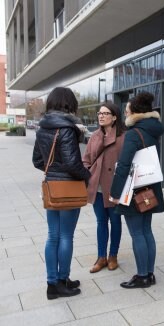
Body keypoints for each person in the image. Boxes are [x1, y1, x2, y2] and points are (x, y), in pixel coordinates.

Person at [32, 87, 91, 300]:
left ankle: (52, 284)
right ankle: (63, 281)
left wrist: (54, 172)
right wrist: (87, 175)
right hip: (69, 189)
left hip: (51, 187)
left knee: (53, 236)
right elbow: (72, 163)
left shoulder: (42, 128)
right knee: (66, 235)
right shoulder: (67, 128)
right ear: (69, 104)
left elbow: (38, 161)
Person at [109, 92, 164, 288]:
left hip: (134, 190)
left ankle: (142, 276)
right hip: (150, 189)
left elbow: (124, 165)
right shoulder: (152, 130)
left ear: (135, 112)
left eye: (126, 111)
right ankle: (149, 273)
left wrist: (115, 193)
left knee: (137, 233)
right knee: (147, 231)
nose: (125, 114)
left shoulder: (134, 133)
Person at [83, 102, 125, 273]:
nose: (101, 116)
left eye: (105, 113)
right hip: (97, 187)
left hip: (114, 187)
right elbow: (85, 159)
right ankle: (101, 257)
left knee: (115, 221)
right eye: (99, 113)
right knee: (101, 222)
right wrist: (88, 173)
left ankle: (113, 255)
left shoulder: (123, 137)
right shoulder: (94, 136)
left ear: (114, 117)